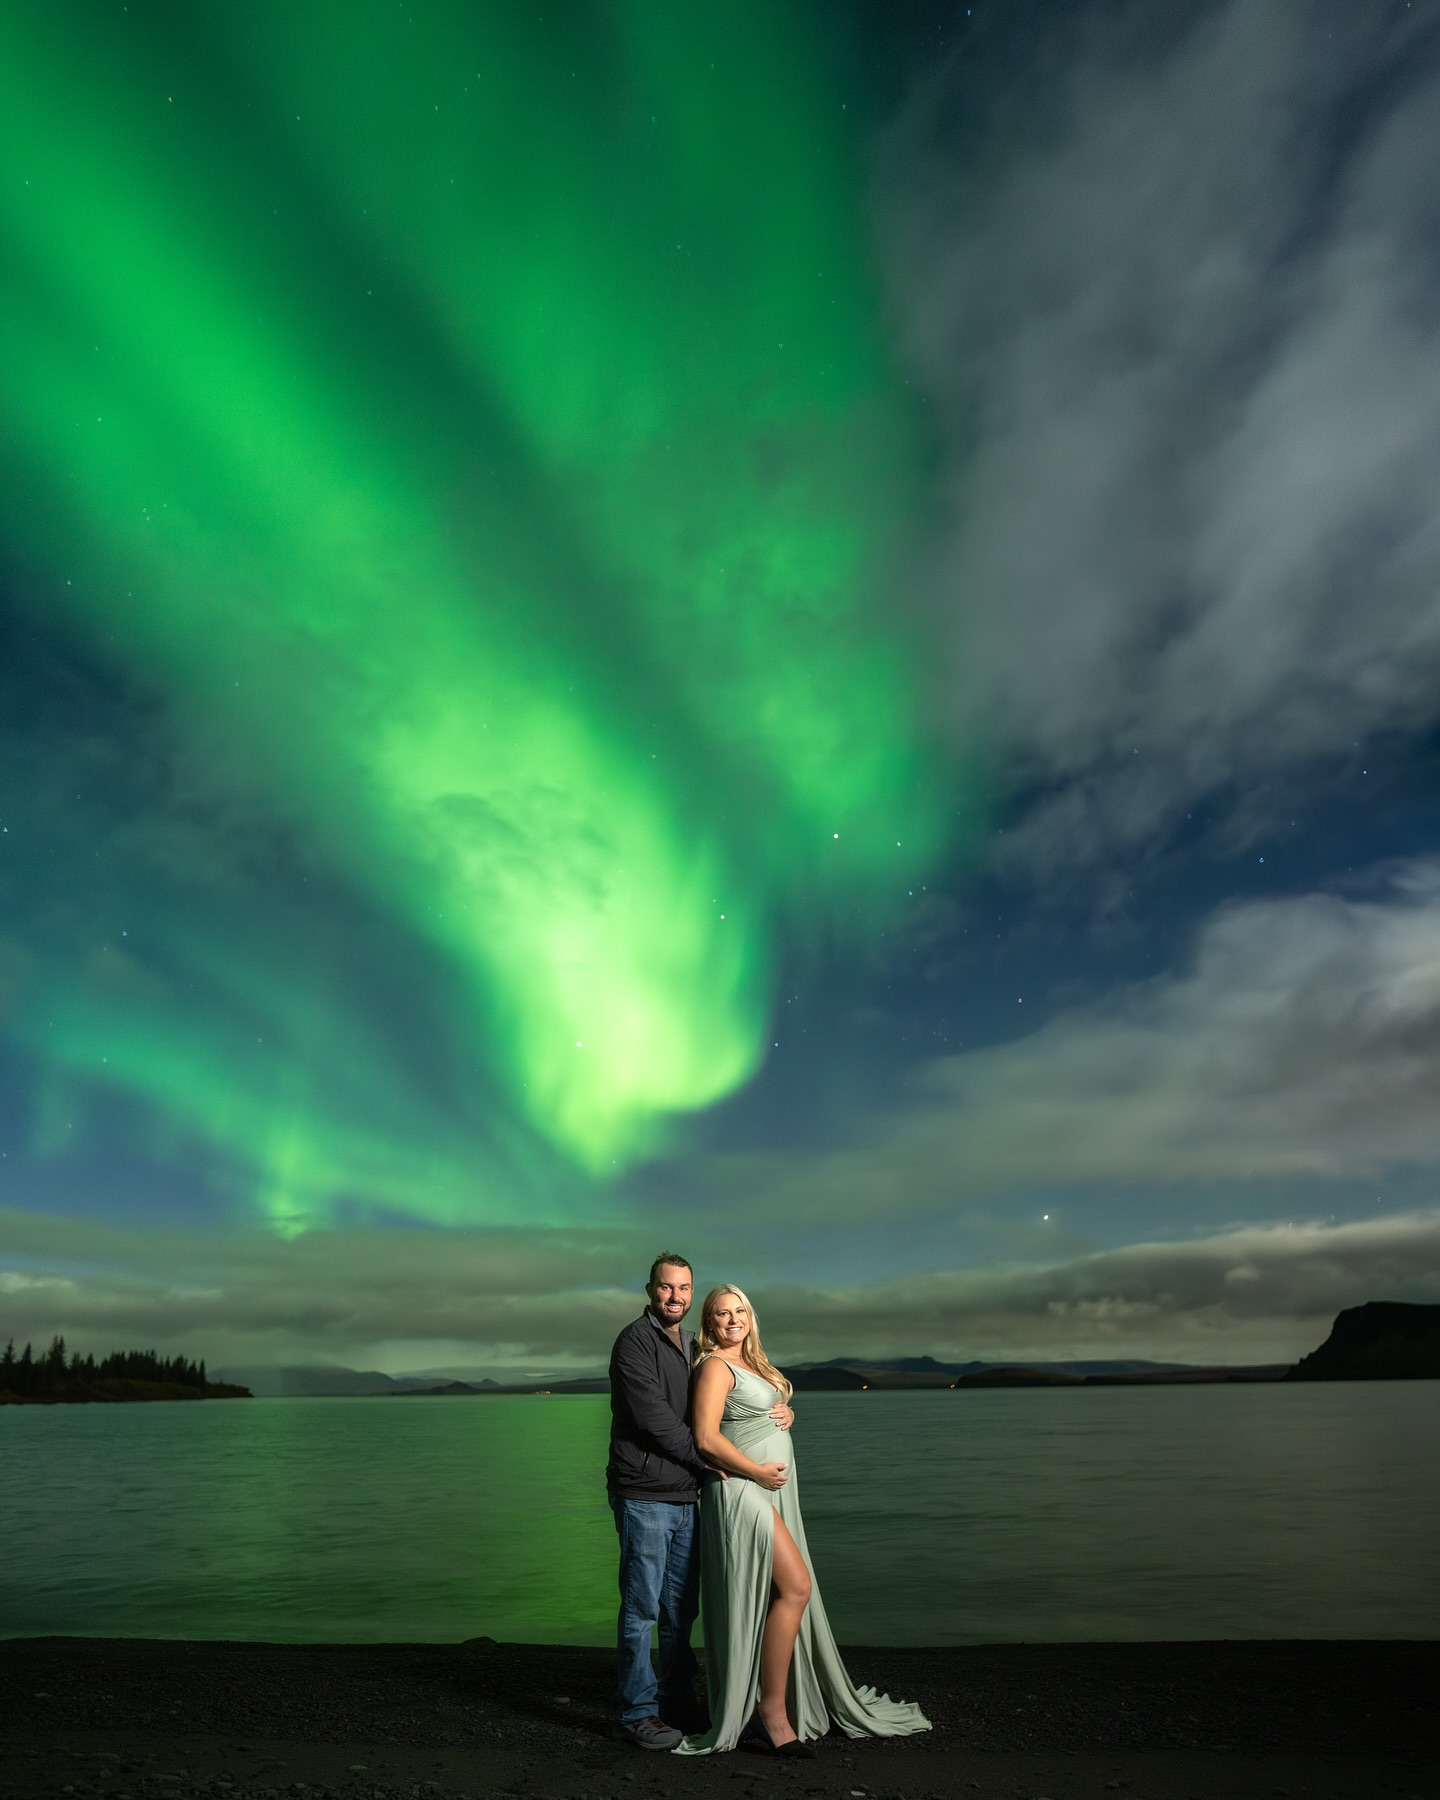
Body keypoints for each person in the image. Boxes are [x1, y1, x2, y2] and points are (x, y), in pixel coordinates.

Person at [675, 1284, 931, 1757]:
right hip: (737, 1488)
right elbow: (706, 1438)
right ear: (709, 1323)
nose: (733, 1320)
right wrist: (754, 1471)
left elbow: (754, 1413)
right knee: (796, 1587)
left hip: (767, 1488)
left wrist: (785, 1413)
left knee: (781, 1591)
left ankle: (768, 1704)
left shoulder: (754, 1364)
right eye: (721, 1314)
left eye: (740, 1312)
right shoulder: (714, 1367)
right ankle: (772, 1714)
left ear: (750, 1317)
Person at [606, 1253, 792, 1750]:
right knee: (642, 1608)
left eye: (684, 1289)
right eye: (667, 1288)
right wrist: (718, 1461)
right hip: (644, 1492)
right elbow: (656, 1421)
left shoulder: (691, 1345)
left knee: (680, 1609)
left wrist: (776, 1414)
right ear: (650, 1290)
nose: (676, 1297)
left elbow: (725, 1401)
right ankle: (638, 1712)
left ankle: (676, 1699)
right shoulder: (634, 1343)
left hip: (687, 1493)